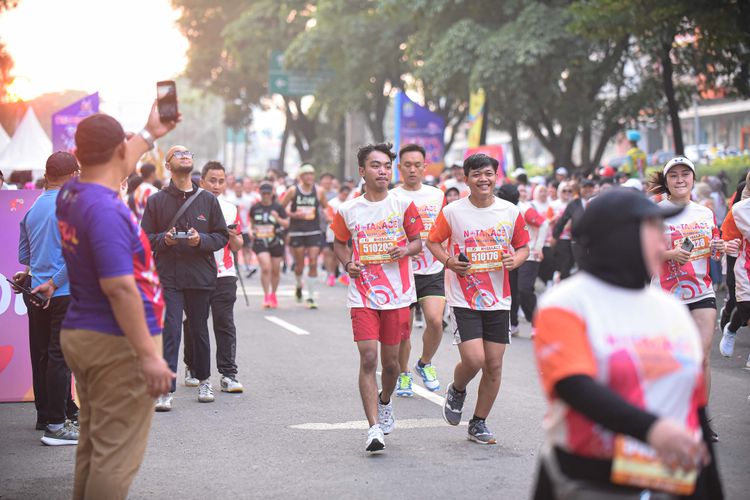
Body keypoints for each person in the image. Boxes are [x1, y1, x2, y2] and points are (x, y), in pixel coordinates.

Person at [532, 189, 723, 499]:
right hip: (587, 481)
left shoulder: (671, 309)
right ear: (620, 238)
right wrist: (653, 429)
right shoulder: (566, 303)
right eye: (655, 231)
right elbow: (573, 385)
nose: (664, 244)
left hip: (669, 479)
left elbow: (693, 409)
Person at [55, 107, 176, 499]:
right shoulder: (105, 210)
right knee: (115, 458)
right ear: (120, 150)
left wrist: (150, 132)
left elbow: (113, 163)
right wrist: (150, 356)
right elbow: (120, 289)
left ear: (78, 153)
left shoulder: (72, 193)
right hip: (117, 341)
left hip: (85, 332)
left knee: (94, 445)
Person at [426, 153, 530, 445]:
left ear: (496, 177)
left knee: (493, 365)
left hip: (499, 298)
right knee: (474, 359)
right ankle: (457, 389)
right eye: (477, 174)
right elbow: (432, 241)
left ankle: (478, 422)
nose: (483, 179)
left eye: (488, 174)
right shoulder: (453, 212)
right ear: (466, 178)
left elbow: (523, 247)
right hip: (464, 297)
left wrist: (516, 260)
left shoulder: (510, 211)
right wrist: (449, 261)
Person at [330, 142, 423, 453]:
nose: (382, 171)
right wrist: (348, 264)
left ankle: (385, 400)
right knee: (369, 358)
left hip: (397, 295)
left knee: (392, 364)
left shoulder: (402, 205)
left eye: (386, 166)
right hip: (363, 294)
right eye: (375, 165)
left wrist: (404, 250)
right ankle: (373, 428)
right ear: (362, 171)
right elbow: (339, 244)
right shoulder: (348, 210)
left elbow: (418, 242)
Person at [141, 145, 229, 410]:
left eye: (188, 153)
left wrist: (200, 240)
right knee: (171, 330)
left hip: (200, 275)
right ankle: (166, 389)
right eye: (178, 154)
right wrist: (164, 240)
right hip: (168, 275)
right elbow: (145, 238)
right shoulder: (156, 201)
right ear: (168, 165)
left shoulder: (208, 200)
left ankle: (204, 380)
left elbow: (221, 236)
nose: (184, 156)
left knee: (199, 329)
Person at [648, 156, 724, 440]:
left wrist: (718, 247)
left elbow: (713, 249)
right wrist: (670, 254)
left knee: (701, 357)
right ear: (666, 181)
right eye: (674, 176)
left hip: (701, 290)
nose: (680, 180)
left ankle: (700, 420)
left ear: (693, 179)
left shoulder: (704, 212)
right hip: (666, 295)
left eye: (685, 174)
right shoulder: (655, 212)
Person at [13, 151, 80, 445]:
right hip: (61, 292)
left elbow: (24, 254)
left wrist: (30, 275)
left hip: (36, 292)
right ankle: (56, 426)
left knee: (42, 355)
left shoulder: (35, 207)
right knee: (59, 358)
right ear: (73, 176)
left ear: (47, 175)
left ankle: (46, 416)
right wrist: (54, 283)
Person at [181, 161, 245, 393]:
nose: (216, 186)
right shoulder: (190, 205)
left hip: (224, 273)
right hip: (196, 274)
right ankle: (192, 367)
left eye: (221, 181)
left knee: (224, 322)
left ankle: (228, 374)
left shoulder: (230, 208)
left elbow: (238, 245)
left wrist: (232, 235)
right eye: (212, 181)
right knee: (194, 324)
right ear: (202, 181)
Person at [391, 143, 447, 397]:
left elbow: (445, 229)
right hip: (401, 272)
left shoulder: (436, 195)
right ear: (399, 167)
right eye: (407, 165)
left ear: (425, 167)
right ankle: (403, 373)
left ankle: (424, 363)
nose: (412, 170)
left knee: (435, 321)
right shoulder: (392, 197)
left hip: (432, 269)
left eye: (417, 165)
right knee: (404, 330)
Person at [281, 163, 329, 309]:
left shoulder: (319, 191)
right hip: (297, 231)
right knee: (300, 265)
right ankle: (298, 285)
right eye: (306, 174)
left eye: (311, 174)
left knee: (313, 262)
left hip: (313, 230)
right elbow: (280, 208)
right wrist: (293, 214)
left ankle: (311, 296)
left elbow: (326, 207)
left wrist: (328, 217)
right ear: (300, 176)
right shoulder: (293, 190)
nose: (309, 177)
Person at [718, 176, 749, 367]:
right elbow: (725, 239)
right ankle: (730, 328)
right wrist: (730, 244)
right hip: (742, 263)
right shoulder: (739, 210)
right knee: (742, 304)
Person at [250, 182, 289, 308]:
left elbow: (286, 224)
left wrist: (277, 218)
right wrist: (251, 231)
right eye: (263, 193)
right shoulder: (255, 207)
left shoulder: (278, 207)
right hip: (260, 241)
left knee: (276, 270)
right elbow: (251, 223)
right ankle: (266, 295)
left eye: (268, 193)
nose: (266, 196)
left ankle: (273, 294)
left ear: (272, 193)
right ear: (260, 194)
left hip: (276, 241)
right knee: (266, 267)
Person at [553, 179, 595, 275]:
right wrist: (555, 236)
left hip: (594, 241)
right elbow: (563, 220)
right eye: (585, 187)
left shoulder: (598, 201)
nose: (588, 189)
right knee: (581, 267)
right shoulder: (574, 203)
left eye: (590, 187)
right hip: (578, 241)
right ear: (580, 189)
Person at [324, 184, 352, 287]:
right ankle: (331, 275)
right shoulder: (332, 203)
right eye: (343, 194)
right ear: (339, 193)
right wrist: (340, 222)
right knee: (333, 256)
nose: (345, 196)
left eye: (347, 194)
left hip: (347, 233)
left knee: (346, 253)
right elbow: (328, 218)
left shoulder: (350, 203)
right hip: (332, 233)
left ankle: (344, 274)